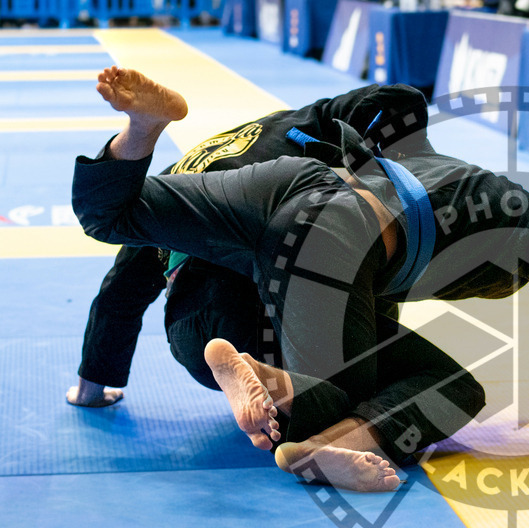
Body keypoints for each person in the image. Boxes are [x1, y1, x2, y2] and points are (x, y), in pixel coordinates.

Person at [73, 67, 529, 492]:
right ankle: (328, 421)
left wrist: (95, 380)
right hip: (297, 272)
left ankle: (143, 134)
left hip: (210, 308)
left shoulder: (229, 157)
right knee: (432, 381)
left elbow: (124, 278)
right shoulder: (518, 216)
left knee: (138, 227)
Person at [66, 83, 491, 470]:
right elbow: (399, 98)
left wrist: (91, 385)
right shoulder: (314, 141)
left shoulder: (180, 177)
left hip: (197, 332)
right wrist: (410, 163)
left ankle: (256, 379)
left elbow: (119, 294)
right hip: (285, 306)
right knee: (442, 384)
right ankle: (337, 433)